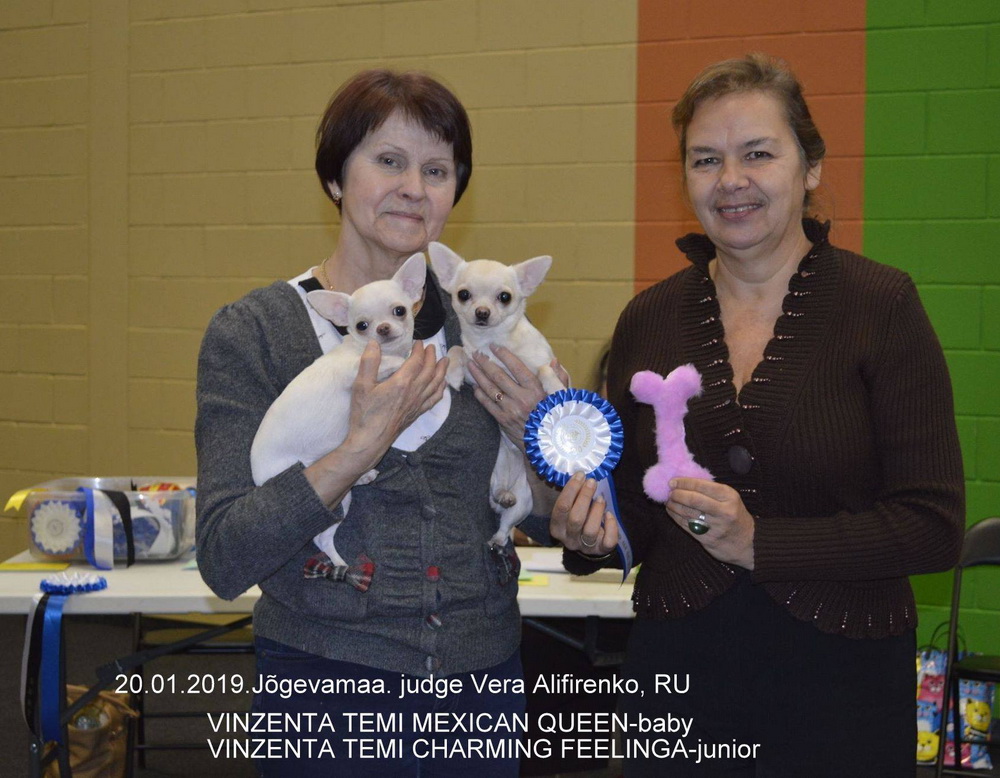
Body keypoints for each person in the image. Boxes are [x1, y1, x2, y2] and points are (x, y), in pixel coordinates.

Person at [550, 53, 965, 776]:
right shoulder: (648, 318)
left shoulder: (882, 307)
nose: (730, 180)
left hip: (843, 691)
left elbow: (932, 525)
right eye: (705, 159)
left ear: (810, 168)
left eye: (758, 154)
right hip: (678, 687)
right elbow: (635, 508)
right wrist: (591, 534)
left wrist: (759, 544)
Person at [195, 69, 558, 777]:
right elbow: (224, 557)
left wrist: (537, 448)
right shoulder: (257, 332)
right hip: (325, 688)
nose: (414, 188)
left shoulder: (484, 321)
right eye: (389, 161)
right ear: (335, 177)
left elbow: (548, 523)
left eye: (437, 170)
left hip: (481, 686)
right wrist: (357, 449)